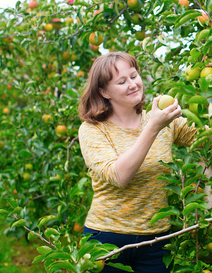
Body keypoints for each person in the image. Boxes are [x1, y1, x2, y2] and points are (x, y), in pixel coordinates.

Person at [78, 52, 196, 272]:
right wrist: (153, 127)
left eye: (134, 76)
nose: (132, 84)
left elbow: (208, 140)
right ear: (104, 91)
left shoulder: (163, 119)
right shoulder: (93, 130)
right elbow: (119, 176)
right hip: (106, 238)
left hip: (157, 239)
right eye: (122, 81)